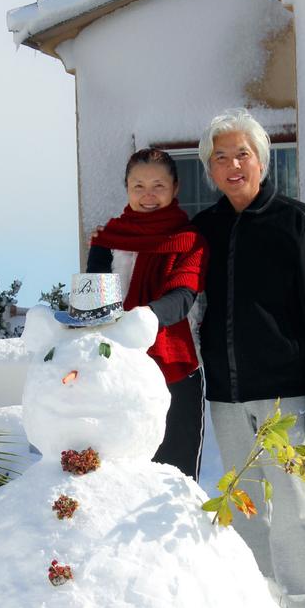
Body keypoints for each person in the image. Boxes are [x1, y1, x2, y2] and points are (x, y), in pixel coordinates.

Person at [192, 108, 305, 608]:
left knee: (297, 504)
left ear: (262, 160)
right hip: (228, 394)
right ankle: (257, 605)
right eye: (221, 157)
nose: (233, 165)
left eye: (243, 154)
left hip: (286, 394)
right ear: (210, 168)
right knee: (244, 502)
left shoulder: (298, 222)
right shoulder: (203, 231)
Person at [87, 148, 207, 480]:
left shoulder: (190, 240)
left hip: (175, 369)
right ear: (126, 187)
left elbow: (184, 294)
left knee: (175, 475)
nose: (148, 195)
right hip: (117, 368)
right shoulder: (108, 239)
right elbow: (95, 303)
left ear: (175, 188)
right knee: (120, 472)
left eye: (158, 185)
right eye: (138, 186)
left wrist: (141, 319)